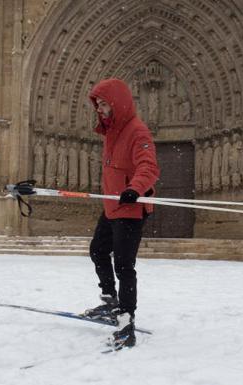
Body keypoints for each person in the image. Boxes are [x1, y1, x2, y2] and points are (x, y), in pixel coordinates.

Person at [83, 78, 159, 349]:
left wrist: (134, 188)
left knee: (124, 267)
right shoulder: (112, 133)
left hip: (131, 209)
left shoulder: (137, 132)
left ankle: (126, 322)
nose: (100, 109)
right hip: (112, 207)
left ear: (117, 102)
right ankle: (109, 301)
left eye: (104, 104)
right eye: (98, 105)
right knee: (98, 252)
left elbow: (148, 167)